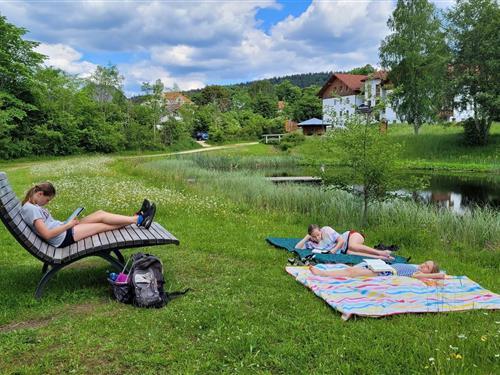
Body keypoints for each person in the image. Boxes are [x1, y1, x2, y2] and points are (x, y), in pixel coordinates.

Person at [21, 182, 156, 249]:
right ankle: (139, 219)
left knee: (100, 213)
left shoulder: (33, 206)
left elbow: (49, 226)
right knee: (103, 225)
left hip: (64, 229)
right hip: (63, 237)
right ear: (40, 194)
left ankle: (137, 218)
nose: (47, 203)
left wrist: (67, 223)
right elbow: (47, 234)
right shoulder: (31, 209)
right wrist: (68, 225)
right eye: (47, 200)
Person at [296, 224, 394, 260]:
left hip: (350, 236)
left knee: (352, 246)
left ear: (320, 230)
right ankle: (381, 257)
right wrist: (306, 238)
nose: (317, 238)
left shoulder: (326, 230)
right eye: (314, 236)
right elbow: (297, 248)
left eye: (318, 234)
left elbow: (341, 241)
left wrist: (334, 250)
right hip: (344, 249)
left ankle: (382, 252)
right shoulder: (311, 243)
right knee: (351, 253)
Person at [309, 260, 444, 280]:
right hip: (383, 267)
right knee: (353, 268)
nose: (423, 266)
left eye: (427, 267)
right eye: (425, 263)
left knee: (352, 273)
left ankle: (322, 273)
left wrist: (440, 274)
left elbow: (441, 276)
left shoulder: (418, 274)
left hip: (386, 272)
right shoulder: (415, 266)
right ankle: (333, 270)